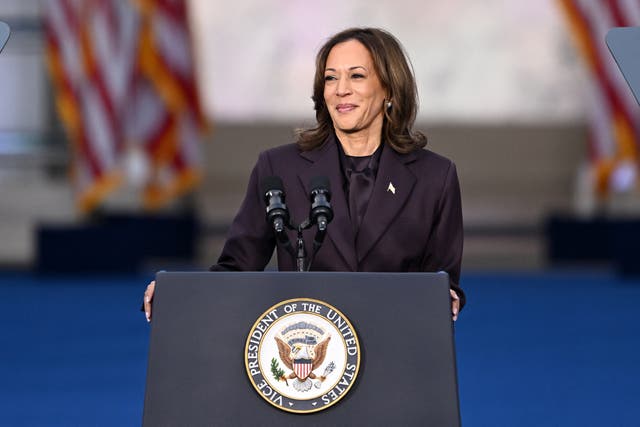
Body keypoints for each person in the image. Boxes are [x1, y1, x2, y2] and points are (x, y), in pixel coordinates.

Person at [144, 27, 464, 321]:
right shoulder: (279, 168)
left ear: (390, 90)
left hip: (396, 346)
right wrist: (180, 295)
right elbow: (237, 267)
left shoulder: (434, 177)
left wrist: (448, 296)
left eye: (356, 76)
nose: (341, 90)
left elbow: (441, 281)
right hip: (308, 355)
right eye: (330, 78)